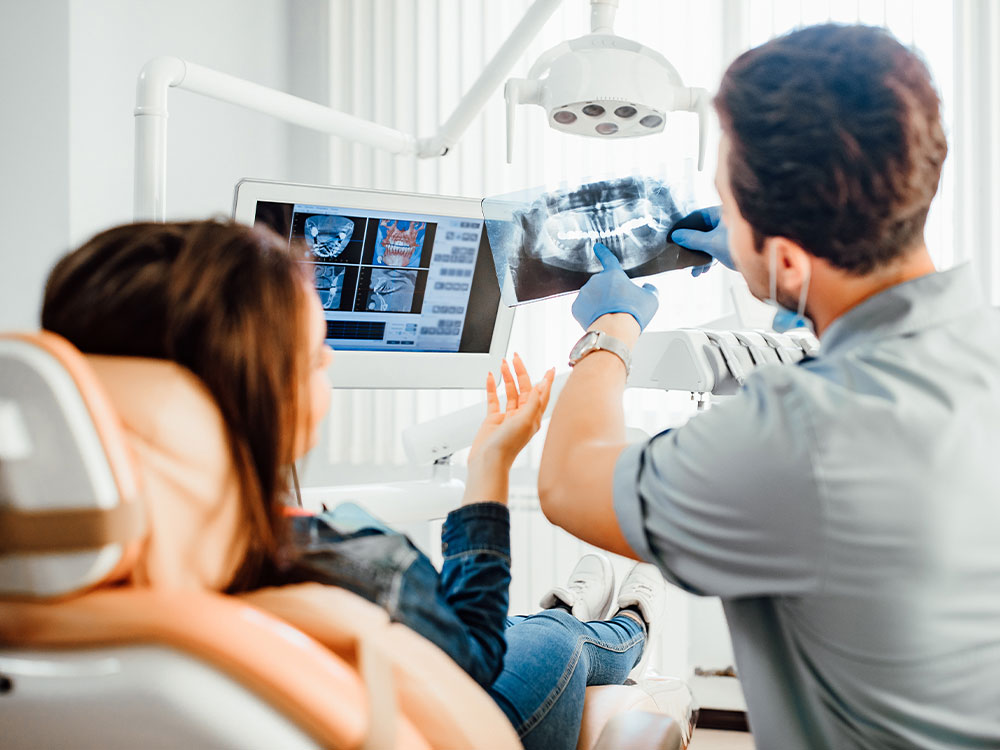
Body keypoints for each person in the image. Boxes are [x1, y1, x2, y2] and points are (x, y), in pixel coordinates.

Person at [538, 23, 1000, 750]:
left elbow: (566, 481)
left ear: (786, 257)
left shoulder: (797, 437)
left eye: (731, 201)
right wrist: (786, 276)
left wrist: (611, 332)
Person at [39, 219, 667, 750]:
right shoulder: (359, 572)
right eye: (314, 355)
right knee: (547, 638)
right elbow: (474, 655)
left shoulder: (54, 589)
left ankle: (580, 608)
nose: (331, 360)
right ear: (264, 399)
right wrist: (492, 464)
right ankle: (627, 627)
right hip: (463, 710)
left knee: (529, 627)